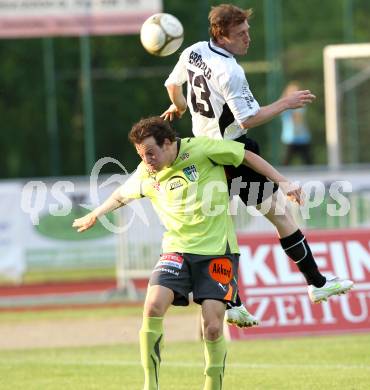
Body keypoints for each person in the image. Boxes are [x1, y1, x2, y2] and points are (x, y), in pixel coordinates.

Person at [72, 116, 303, 390]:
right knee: (153, 306)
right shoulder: (147, 172)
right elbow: (122, 195)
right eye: (141, 155)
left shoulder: (203, 149)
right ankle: (150, 386)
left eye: (150, 152)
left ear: (168, 143)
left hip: (218, 252)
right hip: (176, 251)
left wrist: (283, 181)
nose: (147, 160)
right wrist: (96, 214)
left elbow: (247, 156)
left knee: (214, 327)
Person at [161, 3, 354, 328]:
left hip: (201, 149)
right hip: (229, 149)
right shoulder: (231, 71)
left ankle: (233, 302)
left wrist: (179, 107)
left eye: (248, 31)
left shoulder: (193, 51)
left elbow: (172, 86)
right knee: (279, 213)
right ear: (222, 35)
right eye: (241, 34)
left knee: (220, 226)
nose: (248, 38)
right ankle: (317, 284)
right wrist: (285, 103)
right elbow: (248, 118)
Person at [281, 81, 313, 165]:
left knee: (308, 162)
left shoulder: (301, 106)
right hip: (290, 139)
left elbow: (299, 119)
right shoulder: (283, 106)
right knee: (286, 163)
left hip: (303, 138)